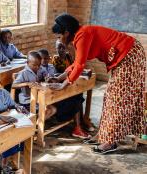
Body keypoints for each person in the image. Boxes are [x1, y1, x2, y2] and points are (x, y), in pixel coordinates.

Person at [52, 13, 146, 153]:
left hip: (130, 56)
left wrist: (64, 84)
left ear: (66, 32)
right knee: (110, 97)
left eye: (59, 36)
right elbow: (78, 62)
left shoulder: (82, 34)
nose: (59, 40)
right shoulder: (81, 34)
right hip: (127, 55)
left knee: (116, 99)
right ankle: (103, 135)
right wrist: (61, 77)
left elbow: (80, 65)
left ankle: (110, 142)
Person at [12, 51, 57, 120]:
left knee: (53, 108)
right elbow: (14, 85)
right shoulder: (24, 73)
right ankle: (35, 125)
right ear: (27, 63)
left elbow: (45, 76)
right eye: (34, 65)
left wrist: (47, 78)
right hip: (27, 101)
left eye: (39, 65)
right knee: (51, 109)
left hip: (38, 98)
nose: (37, 67)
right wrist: (26, 83)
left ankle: (36, 124)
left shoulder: (40, 69)